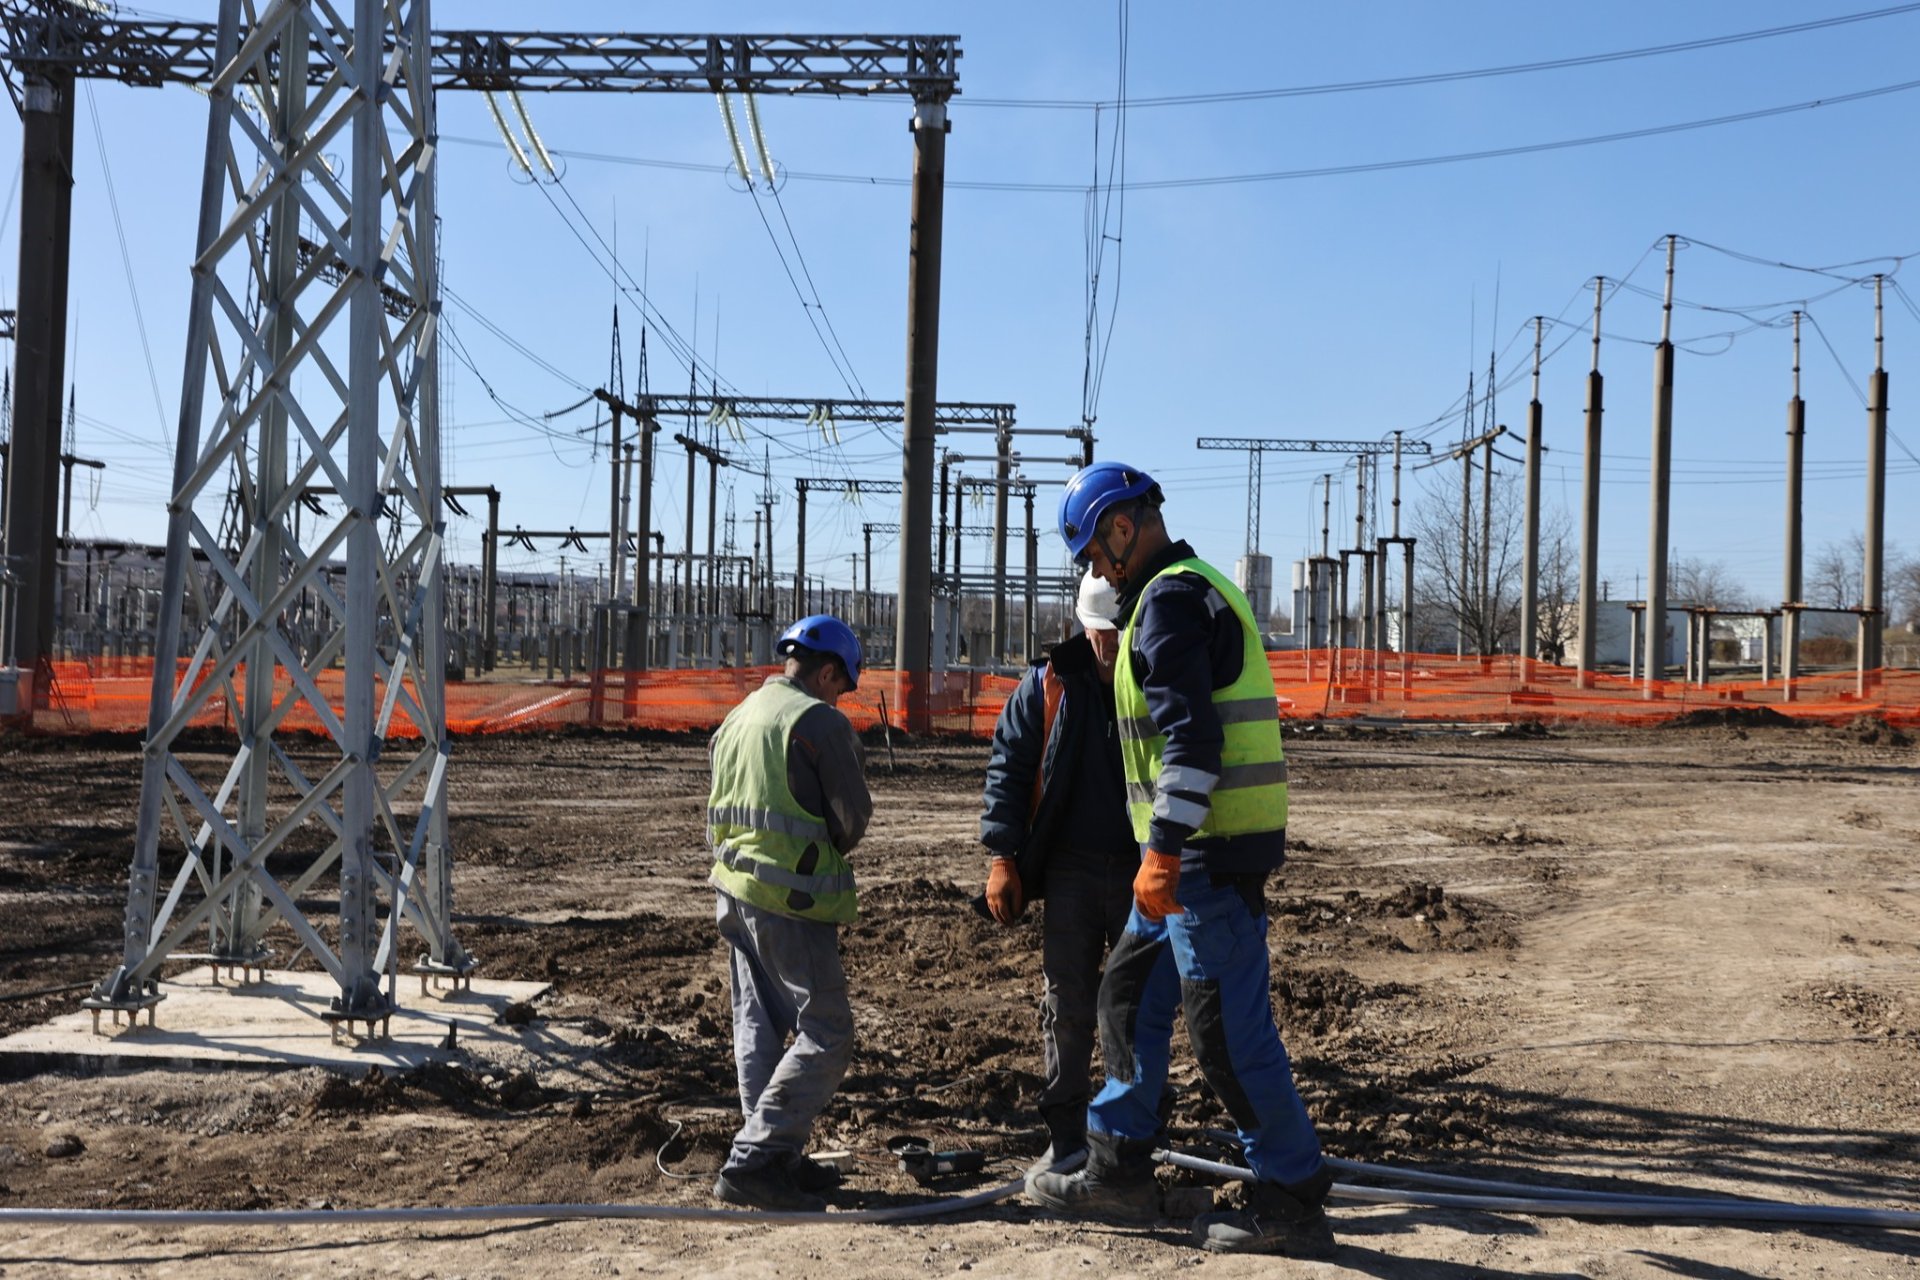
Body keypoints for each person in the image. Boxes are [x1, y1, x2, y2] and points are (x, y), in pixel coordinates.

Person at [1027, 461, 1337, 1258]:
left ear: (1122, 528)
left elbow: (1193, 744)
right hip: (1177, 860)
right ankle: (1118, 1167)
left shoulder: (1169, 602)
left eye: (1095, 556)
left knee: (1227, 1034)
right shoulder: (1173, 597)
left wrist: (1163, 850)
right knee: (1129, 997)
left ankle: (1291, 1196)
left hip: (1204, 859)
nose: (1097, 572)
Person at [706, 614, 873, 1212]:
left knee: (757, 1024)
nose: (840, 698)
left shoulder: (740, 714)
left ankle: (774, 1158)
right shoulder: (817, 721)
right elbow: (851, 817)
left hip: (734, 890)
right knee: (828, 1031)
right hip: (791, 898)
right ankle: (755, 1157)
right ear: (827, 673)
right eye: (841, 686)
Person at [978, 570, 1137, 1184]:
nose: (1111, 646)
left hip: (1141, 869)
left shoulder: (1152, 677)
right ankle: (1066, 1132)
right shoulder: (1048, 685)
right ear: (1085, 628)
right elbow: (1009, 767)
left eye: (1120, 633)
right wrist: (1002, 856)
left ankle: (1130, 1135)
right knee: (1067, 1003)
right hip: (1071, 868)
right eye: (1103, 634)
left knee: (1133, 1006)